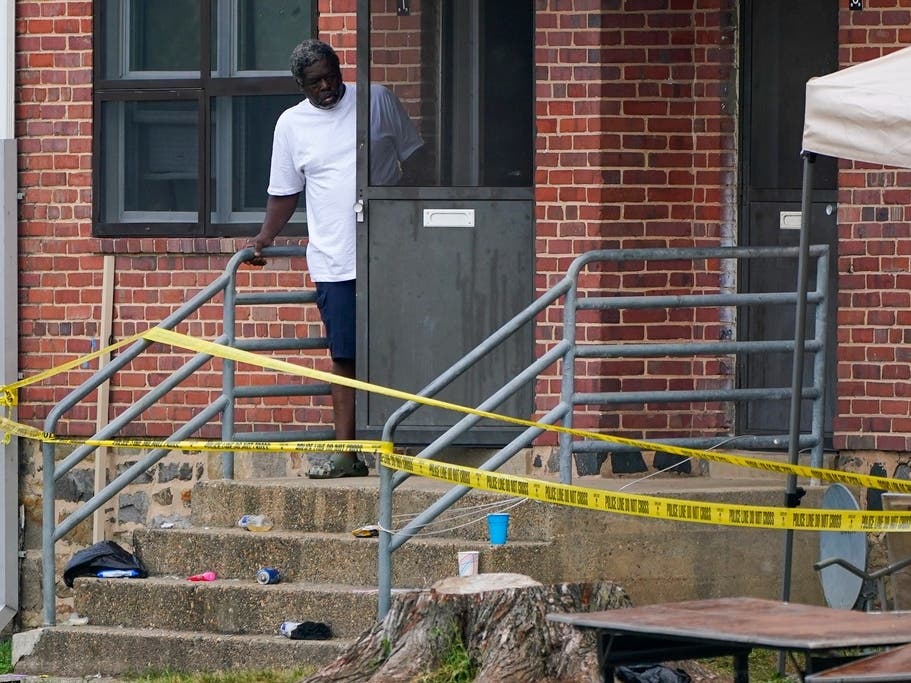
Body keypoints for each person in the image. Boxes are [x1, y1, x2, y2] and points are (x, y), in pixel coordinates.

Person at [248, 39, 424, 478]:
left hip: (394, 254)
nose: (327, 86)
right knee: (345, 355)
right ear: (300, 85)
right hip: (335, 257)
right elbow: (284, 192)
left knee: (404, 347)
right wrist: (263, 239)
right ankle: (347, 453)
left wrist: (414, 218)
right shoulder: (291, 124)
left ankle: (414, 443)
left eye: (331, 75)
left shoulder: (377, 100)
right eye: (315, 82)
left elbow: (419, 160)